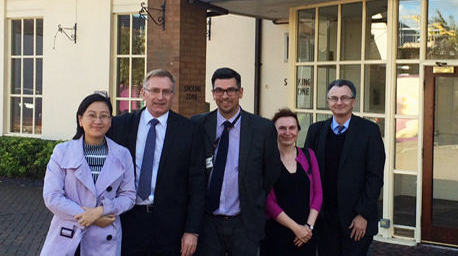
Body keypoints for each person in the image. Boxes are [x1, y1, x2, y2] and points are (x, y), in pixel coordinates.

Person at [106, 69, 206, 256]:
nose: (160, 97)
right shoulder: (120, 125)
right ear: (143, 93)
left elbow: (198, 184)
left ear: (173, 95)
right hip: (128, 220)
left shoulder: (189, 131)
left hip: (171, 227)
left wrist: (192, 230)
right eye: (154, 90)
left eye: (166, 91)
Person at [191, 67, 281, 256]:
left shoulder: (262, 128)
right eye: (219, 91)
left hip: (244, 223)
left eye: (230, 90)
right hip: (207, 223)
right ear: (213, 93)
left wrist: (256, 200)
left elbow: (271, 171)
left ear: (240, 92)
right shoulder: (198, 125)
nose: (225, 96)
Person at [41, 93, 136, 256]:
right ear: (80, 119)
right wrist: (89, 217)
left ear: (110, 121)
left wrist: (100, 211)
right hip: (68, 233)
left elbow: (129, 196)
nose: (98, 121)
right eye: (92, 115)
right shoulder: (62, 152)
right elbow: (52, 196)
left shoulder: (122, 154)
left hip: (104, 237)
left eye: (104, 116)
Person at [304, 79, 386, 256]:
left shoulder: (369, 131)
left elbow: (375, 177)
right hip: (324, 219)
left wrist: (363, 214)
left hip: (355, 220)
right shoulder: (316, 131)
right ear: (328, 102)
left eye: (344, 98)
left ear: (353, 101)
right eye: (334, 98)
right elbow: (307, 173)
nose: (339, 102)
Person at [260, 108, 323, 256]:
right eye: (282, 128)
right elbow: (268, 201)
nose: (287, 132)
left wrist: (308, 227)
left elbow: (318, 193)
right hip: (276, 233)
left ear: (298, 130)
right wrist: (296, 228)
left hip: (306, 233)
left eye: (292, 127)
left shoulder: (309, 155)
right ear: (274, 132)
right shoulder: (266, 159)